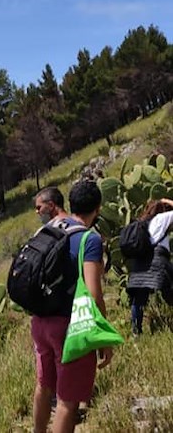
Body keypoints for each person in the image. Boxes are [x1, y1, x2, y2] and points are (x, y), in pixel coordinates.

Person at [31, 180, 113, 433]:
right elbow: (92, 292)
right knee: (67, 401)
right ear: (98, 209)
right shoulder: (89, 239)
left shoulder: (48, 230)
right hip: (69, 327)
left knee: (44, 387)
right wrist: (104, 338)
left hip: (39, 321)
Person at [126, 197, 173, 335]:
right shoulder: (162, 218)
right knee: (170, 287)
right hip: (158, 259)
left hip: (140, 260)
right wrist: (167, 201)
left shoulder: (143, 222)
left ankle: (136, 332)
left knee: (139, 298)